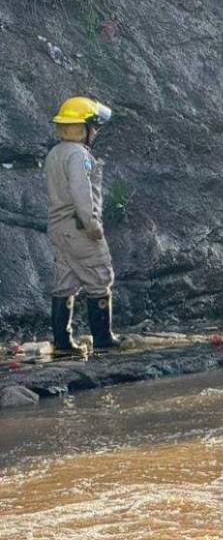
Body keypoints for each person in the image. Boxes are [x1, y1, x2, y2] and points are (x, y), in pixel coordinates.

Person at [45, 96, 124, 355]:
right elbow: (81, 194)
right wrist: (92, 226)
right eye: (94, 126)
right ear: (83, 127)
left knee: (65, 280)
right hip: (79, 227)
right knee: (100, 276)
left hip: (59, 227)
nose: (96, 131)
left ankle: (63, 342)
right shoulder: (79, 156)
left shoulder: (55, 154)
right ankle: (103, 339)